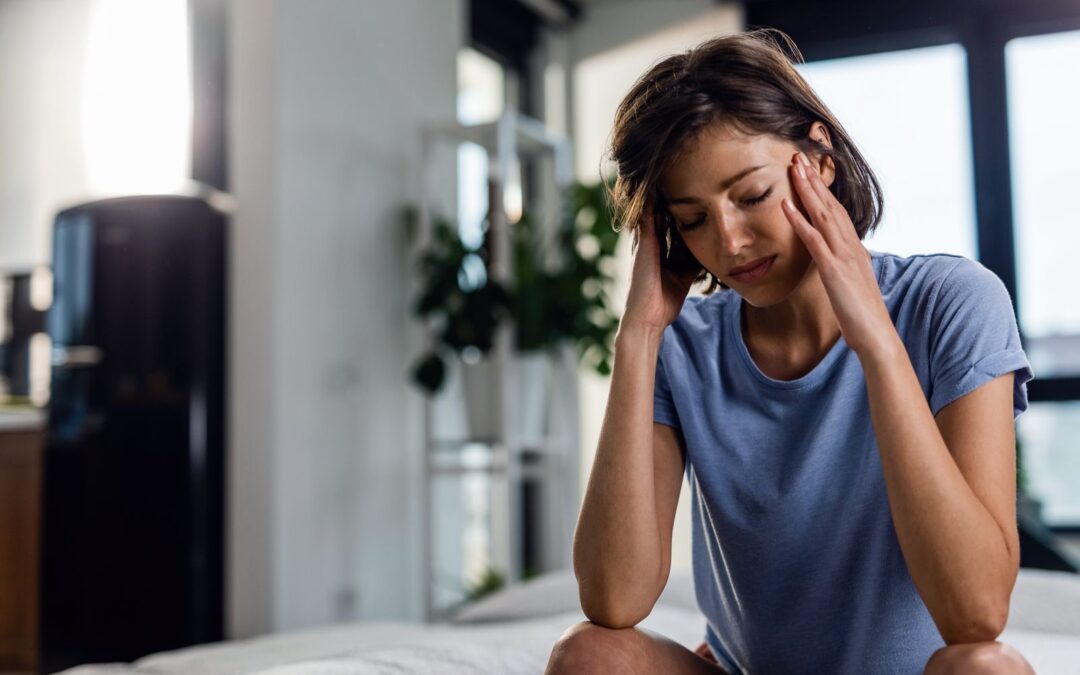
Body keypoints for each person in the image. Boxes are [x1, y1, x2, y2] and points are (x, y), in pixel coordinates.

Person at [544, 28, 1038, 674]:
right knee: (589, 654)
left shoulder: (953, 301)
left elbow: (975, 612)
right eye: (691, 219)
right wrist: (638, 337)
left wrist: (876, 343)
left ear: (820, 159)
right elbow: (614, 597)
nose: (729, 240)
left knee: (987, 668)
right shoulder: (682, 348)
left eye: (751, 196)